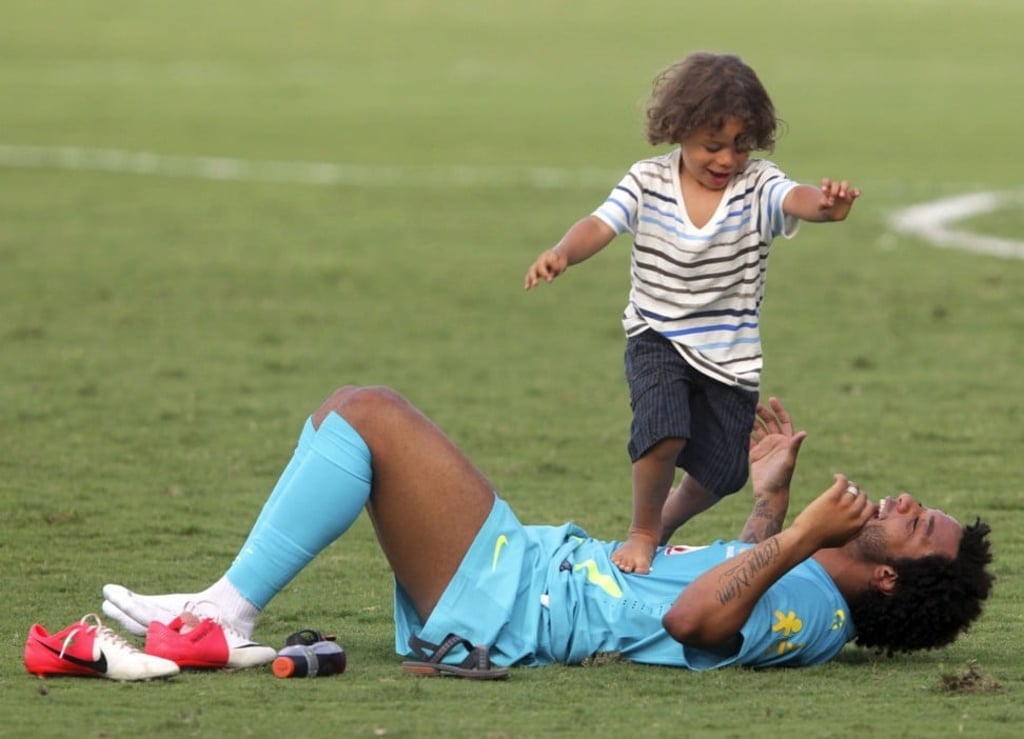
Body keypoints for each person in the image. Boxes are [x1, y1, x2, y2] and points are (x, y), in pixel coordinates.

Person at [102, 385, 993, 674]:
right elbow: (740, 574)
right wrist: (770, 501)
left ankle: (226, 612)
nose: (909, 503)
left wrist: (796, 534)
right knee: (357, 414)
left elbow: (698, 622)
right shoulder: (803, 586)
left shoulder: (820, 616)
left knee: (365, 414)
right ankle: (225, 606)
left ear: (890, 582)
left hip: (519, 606)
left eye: (922, 530)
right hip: (529, 575)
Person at [523, 52, 862, 574]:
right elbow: (600, 223)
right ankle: (641, 531)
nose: (727, 160)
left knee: (724, 473)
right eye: (712, 145)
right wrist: (562, 252)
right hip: (656, 334)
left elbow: (798, 198)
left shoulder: (758, 185)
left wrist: (828, 206)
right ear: (677, 130)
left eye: (740, 145)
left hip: (729, 356)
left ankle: (663, 523)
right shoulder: (646, 180)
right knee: (664, 431)